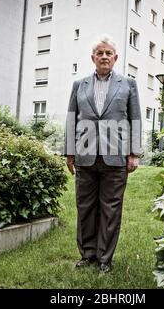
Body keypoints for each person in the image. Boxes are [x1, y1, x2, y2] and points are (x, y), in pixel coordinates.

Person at [63, 34, 142, 273]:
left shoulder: (128, 84)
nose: (104, 56)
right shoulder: (80, 85)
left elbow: (135, 118)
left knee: (110, 208)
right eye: (100, 53)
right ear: (93, 58)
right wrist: (69, 152)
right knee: (85, 206)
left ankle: (105, 258)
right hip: (85, 154)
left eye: (108, 53)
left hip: (116, 156)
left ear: (116, 58)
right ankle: (88, 254)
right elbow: (71, 118)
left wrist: (134, 153)